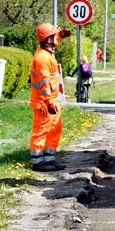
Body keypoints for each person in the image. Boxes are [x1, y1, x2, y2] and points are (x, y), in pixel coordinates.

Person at [29, 23, 71, 172]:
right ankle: (38, 162)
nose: (56, 38)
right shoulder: (42, 58)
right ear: (48, 40)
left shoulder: (46, 50)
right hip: (44, 103)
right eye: (54, 36)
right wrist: (48, 102)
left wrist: (61, 34)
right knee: (41, 131)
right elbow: (43, 83)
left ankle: (49, 160)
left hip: (51, 100)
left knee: (54, 129)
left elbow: (53, 38)